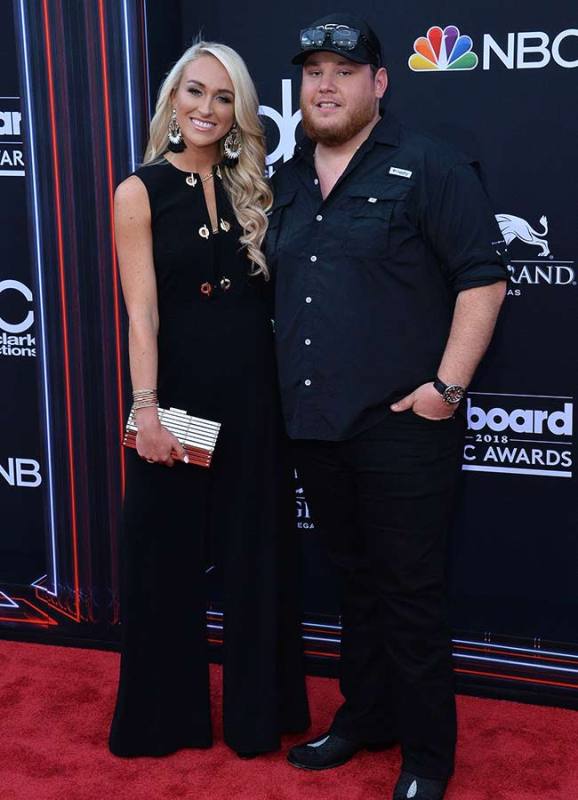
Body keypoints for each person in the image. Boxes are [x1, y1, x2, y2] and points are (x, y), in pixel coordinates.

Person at [267, 14, 507, 800]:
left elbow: (483, 277)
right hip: (316, 428)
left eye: (345, 69)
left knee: (409, 595)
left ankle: (428, 759)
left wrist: (446, 391)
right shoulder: (288, 178)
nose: (325, 84)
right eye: (313, 72)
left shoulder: (430, 164)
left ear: (380, 82)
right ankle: (365, 718)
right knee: (355, 587)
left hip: (405, 428)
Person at [108, 40, 309, 760]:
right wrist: (148, 409)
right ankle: (164, 722)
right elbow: (142, 314)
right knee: (165, 558)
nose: (208, 109)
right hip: (181, 399)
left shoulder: (257, 188)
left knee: (257, 556)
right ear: (173, 101)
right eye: (196, 92)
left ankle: (261, 719)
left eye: (224, 98)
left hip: (254, 398)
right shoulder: (140, 189)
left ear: (240, 113)